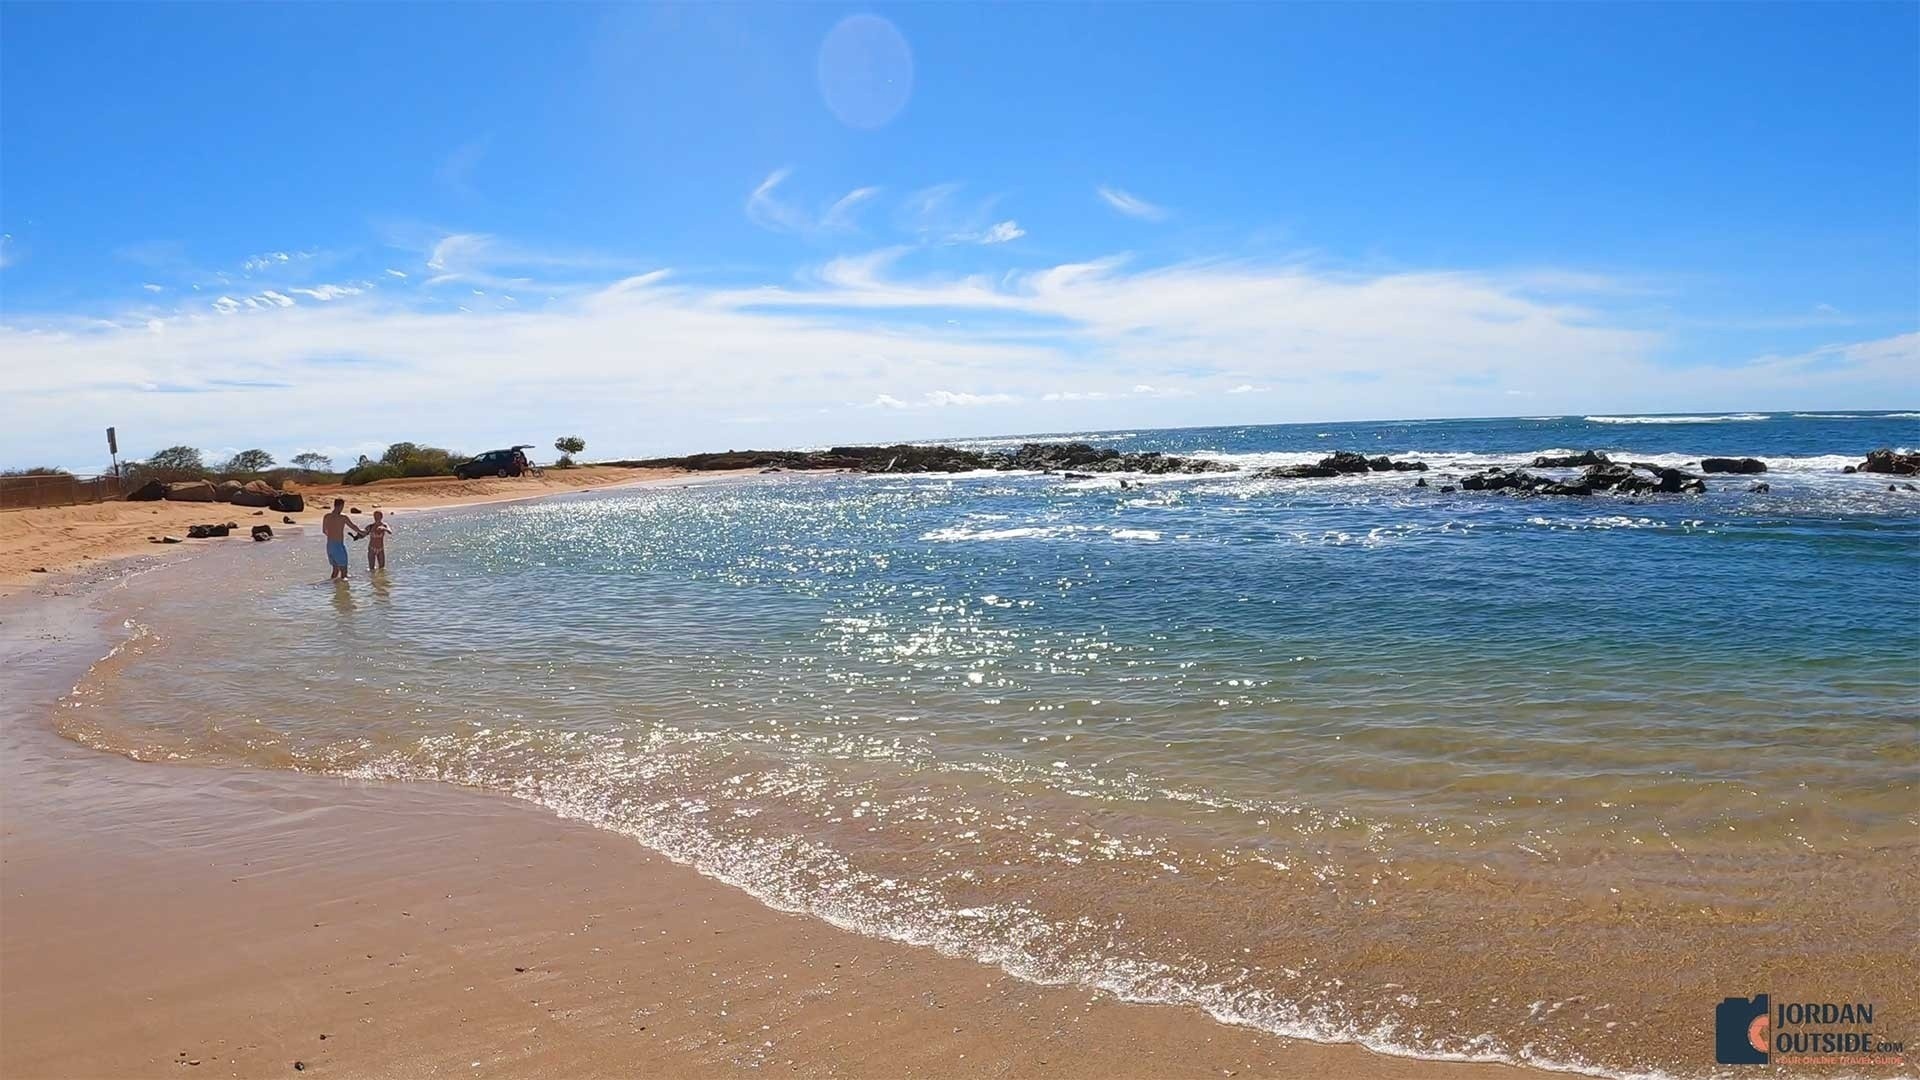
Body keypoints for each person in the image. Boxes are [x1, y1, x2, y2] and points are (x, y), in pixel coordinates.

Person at [320, 497, 364, 580]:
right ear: (341, 506)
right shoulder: (342, 517)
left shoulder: (326, 516)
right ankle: (343, 591)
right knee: (344, 572)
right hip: (338, 545)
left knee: (335, 570)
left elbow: (324, 531)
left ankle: (333, 589)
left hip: (329, 545)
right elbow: (353, 526)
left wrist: (332, 535)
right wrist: (362, 532)